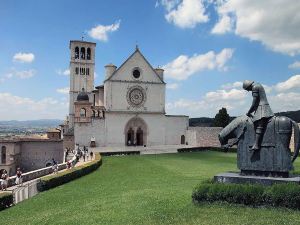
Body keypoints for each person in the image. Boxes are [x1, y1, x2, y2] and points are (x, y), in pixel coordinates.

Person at [243, 80, 274, 151]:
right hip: (261, 107)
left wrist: (249, 112)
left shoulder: (255, 87)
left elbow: (254, 102)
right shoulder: (258, 85)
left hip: (262, 108)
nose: (248, 91)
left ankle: (256, 144)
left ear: (248, 86)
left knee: (259, 125)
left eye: (247, 89)